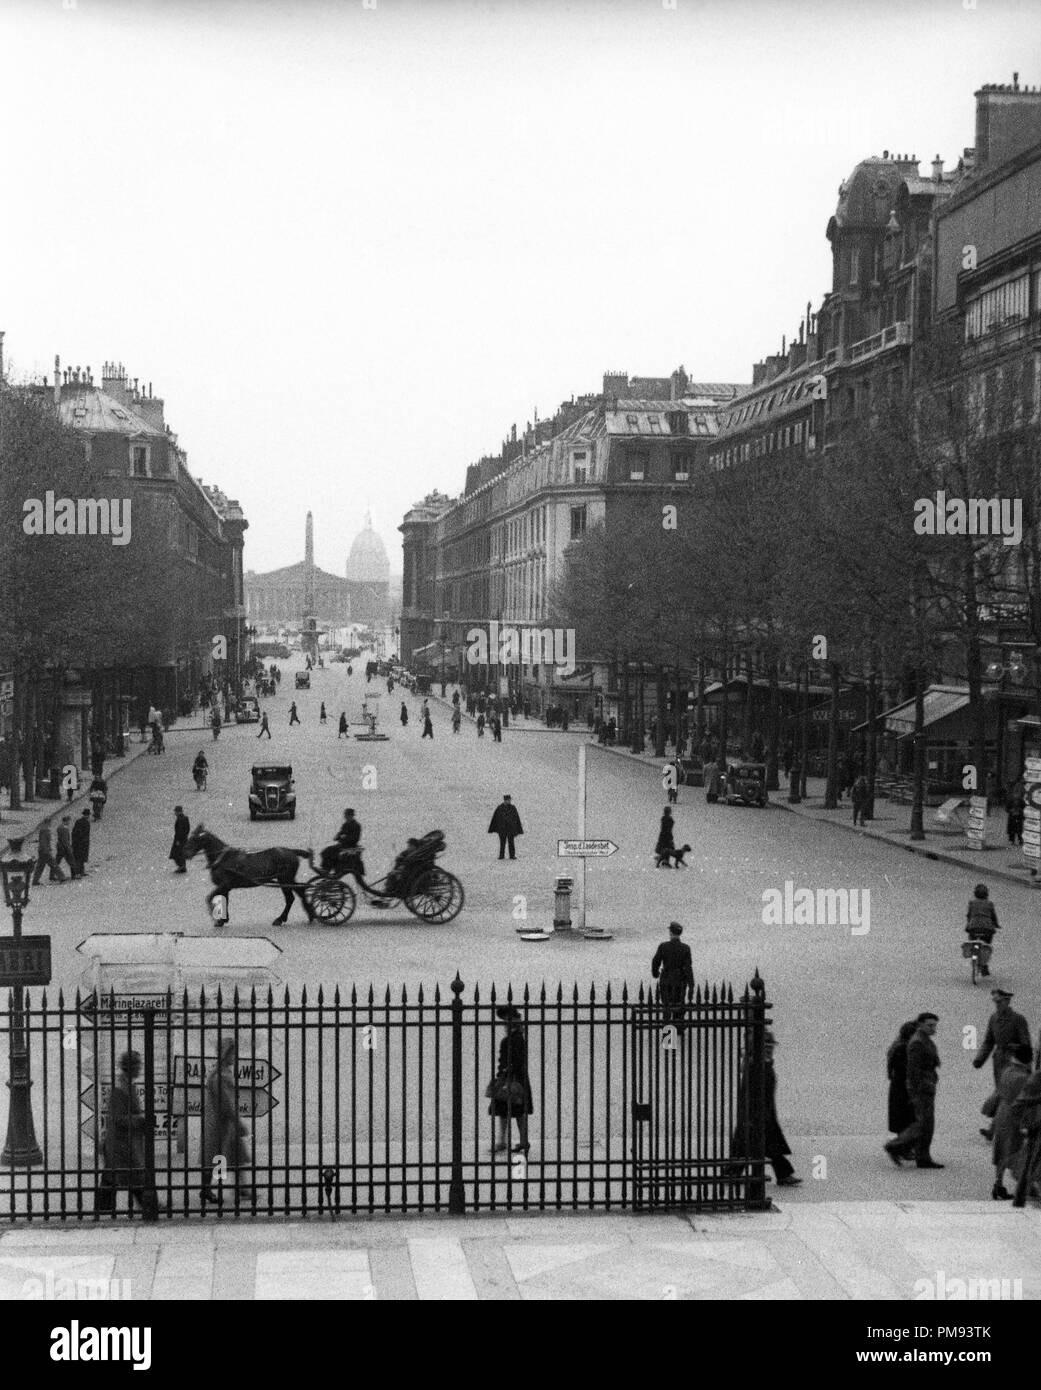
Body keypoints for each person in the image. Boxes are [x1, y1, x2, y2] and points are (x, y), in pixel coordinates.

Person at [731, 1030, 801, 1186]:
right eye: (766, 1046)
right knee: (756, 1144)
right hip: (757, 1114)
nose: (770, 1049)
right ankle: (783, 1175)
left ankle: (733, 1173)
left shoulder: (761, 1063)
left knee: (757, 1145)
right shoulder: (757, 1065)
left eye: (771, 1046)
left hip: (762, 1114)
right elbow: (751, 1094)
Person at [94, 1051, 158, 1220]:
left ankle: (104, 1210)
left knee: (121, 1176)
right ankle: (149, 1205)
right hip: (120, 1143)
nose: (140, 1068)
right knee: (122, 1176)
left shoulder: (127, 1085)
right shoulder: (120, 1089)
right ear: (131, 1067)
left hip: (125, 1142)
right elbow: (119, 1119)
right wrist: (141, 1120)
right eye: (137, 1065)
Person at [885, 1012, 944, 1168]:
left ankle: (921, 1155)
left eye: (934, 1025)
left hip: (925, 1086)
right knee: (923, 1123)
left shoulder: (922, 1040)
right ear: (920, 1025)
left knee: (925, 1124)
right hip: (922, 1089)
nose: (933, 1028)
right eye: (930, 1025)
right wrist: (917, 1091)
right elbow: (913, 1070)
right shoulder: (917, 1042)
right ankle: (897, 1146)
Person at [201, 1039, 253, 1204]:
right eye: (232, 1053)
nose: (235, 1056)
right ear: (226, 1054)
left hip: (225, 1122)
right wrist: (239, 1123)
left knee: (235, 1154)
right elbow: (227, 1104)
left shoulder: (222, 1073)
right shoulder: (220, 1076)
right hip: (222, 1123)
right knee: (218, 1158)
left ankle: (241, 1187)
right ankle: (207, 1189)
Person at [974, 988, 1031, 1138]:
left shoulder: (1018, 1019)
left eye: (999, 1002)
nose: (997, 1005)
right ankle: (996, 1128)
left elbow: (1026, 1043)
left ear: (1007, 1001)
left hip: (1014, 1060)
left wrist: (1022, 1056)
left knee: (1005, 1093)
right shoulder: (994, 1018)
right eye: (995, 1002)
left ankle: (995, 1128)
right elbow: (988, 1041)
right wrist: (979, 1058)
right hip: (999, 1060)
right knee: (1003, 1093)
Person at [990, 1042, 1034, 1199]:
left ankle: (998, 1184)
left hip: (1002, 1113)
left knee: (1002, 1149)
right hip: (1016, 1117)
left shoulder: (1007, 1071)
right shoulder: (1024, 1077)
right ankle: (1028, 1185)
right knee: (1021, 1151)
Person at [488, 1005, 533, 1156]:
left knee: (509, 1111)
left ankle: (505, 1141)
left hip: (512, 1079)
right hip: (516, 1078)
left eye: (505, 1020)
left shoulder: (514, 1039)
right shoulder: (518, 1037)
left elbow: (515, 1061)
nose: (503, 1024)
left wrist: (504, 1073)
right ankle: (519, 1141)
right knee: (514, 1111)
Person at [651, 921, 694, 1025]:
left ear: (670, 932)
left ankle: (668, 1037)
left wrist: (655, 973)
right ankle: (678, 1031)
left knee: (667, 1009)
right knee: (679, 1007)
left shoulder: (663, 946)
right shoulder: (685, 948)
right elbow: (688, 968)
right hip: (680, 981)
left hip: (666, 980)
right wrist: (691, 984)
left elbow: (655, 961)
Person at [885, 1020, 917, 1157]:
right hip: (903, 1087)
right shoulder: (904, 1047)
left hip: (898, 1086)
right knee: (908, 1118)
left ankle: (903, 1147)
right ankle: (901, 1148)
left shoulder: (898, 1044)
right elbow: (906, 1069)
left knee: (904, 1118)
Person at [965, 883, 999, 977]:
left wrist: (968, 924)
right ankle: (984, 964)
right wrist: (996, 924)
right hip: (987, 929)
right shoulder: (990, 904)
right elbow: (993, 916)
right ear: (987, 894)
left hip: (973, 928)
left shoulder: (972, 903)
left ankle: (973, 952)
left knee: (972, 938)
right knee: (987, 942)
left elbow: (969, 915)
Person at [488, 794, 523, 860]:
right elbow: (495, 818)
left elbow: (516, 819)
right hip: (502, 829)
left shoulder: (512, 808)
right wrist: (495, 827)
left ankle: (512, 855)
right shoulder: (500, 808)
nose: (509, 801)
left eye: (510, 800)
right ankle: (501, 855)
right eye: (508, 800)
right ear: (505, 800)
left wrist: (517, 828)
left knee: (511, 842)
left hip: (510, 829)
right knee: (502, 843)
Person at [31, 820, 65, 884]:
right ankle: (61, 877)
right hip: (45, 851)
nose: (50, 824)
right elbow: (44, 842)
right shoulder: (45, 831)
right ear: (47, 823)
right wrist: (47, 850)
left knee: (40, 866)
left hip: (42, 851)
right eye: (49, 823)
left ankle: (35, 881)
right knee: (53, 864)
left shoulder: (43, 830)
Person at [170, 806, 190, 873]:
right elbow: (188, 829)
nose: (174, 813)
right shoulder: (186, 818)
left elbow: (179, 831)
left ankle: (181, 866)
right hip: (184, 839)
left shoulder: (179, 819)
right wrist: (185, 836)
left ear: (177, 812)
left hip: (179, 840)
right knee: (181, 853)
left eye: (175, 811)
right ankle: (183, 866)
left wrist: (178, 840)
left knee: (175, 853)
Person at [1006, 780, 1025, 847]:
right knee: (1013, 830)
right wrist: (1011, 810)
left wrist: (1020, 811)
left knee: (1018, 830)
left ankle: (1018, 840)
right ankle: (1012, 840)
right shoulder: (1011, 799)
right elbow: (1007, 808)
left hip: (1017, 816)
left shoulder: (1020, 800)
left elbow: (1023, 808)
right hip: (1013, 816)